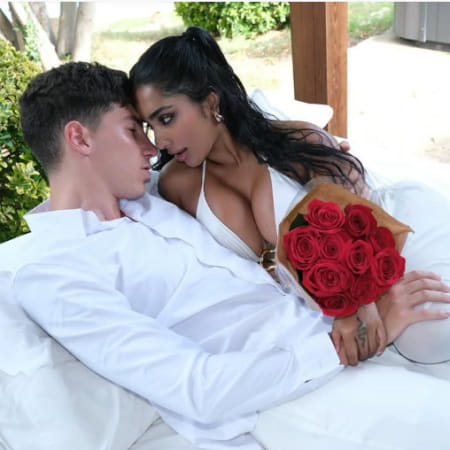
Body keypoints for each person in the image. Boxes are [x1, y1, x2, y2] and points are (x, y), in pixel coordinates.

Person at [13, 61, 450, 450]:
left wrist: (312, 148)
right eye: (133, 131)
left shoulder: (150, 198)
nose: (153, 148)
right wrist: (347, 343)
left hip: (335, 333)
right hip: (284, 394)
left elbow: (217, 137)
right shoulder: (55, 274)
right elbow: (197, 388)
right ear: (79, 138)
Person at [129, 26, 450, 366]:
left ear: (210, 102)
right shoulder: (177, 184)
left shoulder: (298, 142)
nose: (160, 140)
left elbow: (361, 232)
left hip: (397, 236)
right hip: (335, 298)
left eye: (167, 118)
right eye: (150, 126)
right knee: (424, 338)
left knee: (431, 337)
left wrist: (365, 306)